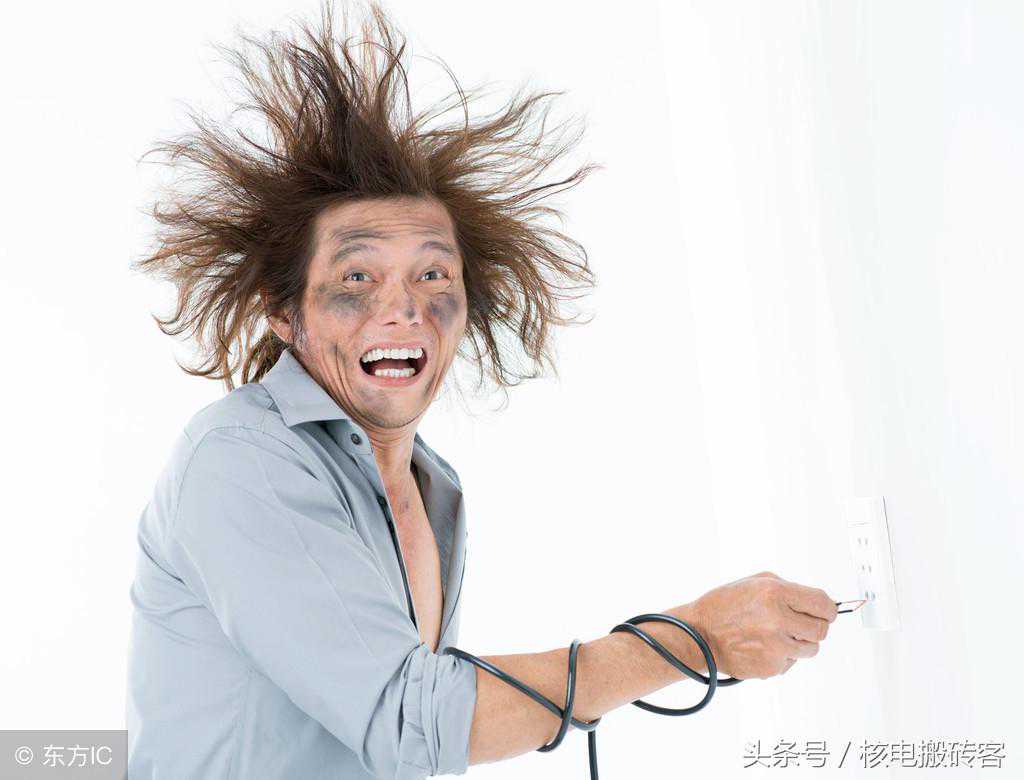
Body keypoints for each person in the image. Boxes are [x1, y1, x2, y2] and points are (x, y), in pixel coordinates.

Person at [125, 1, 838, 777]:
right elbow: (416, 721)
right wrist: (694, 638)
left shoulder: (433, 487)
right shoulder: (242, 460)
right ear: (283, 309)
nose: (403, 308)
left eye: (433, 274)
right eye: (356, 278)